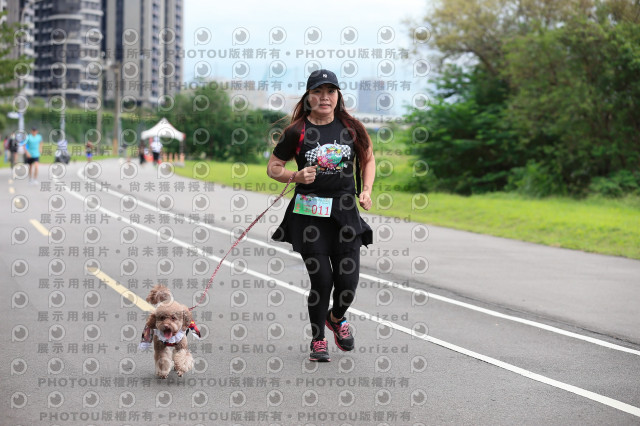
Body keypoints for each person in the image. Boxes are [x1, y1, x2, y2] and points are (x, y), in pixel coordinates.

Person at [266, 69, 375, 362]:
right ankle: (318, 340)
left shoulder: (352, 128)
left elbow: (368, 159)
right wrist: (295, 175)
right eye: (318, 91)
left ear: (338, 96)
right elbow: (273, 167)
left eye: (330, 91)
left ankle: (336, 317)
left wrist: (366, 190)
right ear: (308, 96)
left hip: (345, 212)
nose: (324, 97)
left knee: (348, 284)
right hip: (309, 214)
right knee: (322, 280)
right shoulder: (297, 131)